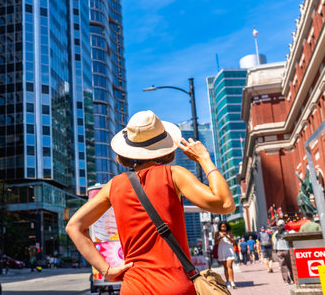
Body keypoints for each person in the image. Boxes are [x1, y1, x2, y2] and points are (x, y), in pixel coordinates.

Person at [66, 111, 235, 295]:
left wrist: (107, 271)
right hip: (175, 285)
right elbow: (225, 204)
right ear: (164, 145)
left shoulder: (113, 186)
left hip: (133, 287)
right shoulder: (174, 175)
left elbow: (74, 226)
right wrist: (204, 158)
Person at [214, 221, 236, 288]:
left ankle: (232, 282)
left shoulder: (229, 233)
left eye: (225, 226)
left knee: (229, 266)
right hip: (222, 251)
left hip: (229, 250)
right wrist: (221, 237)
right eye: (222, 227)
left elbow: (233, 242)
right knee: (225, 267)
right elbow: (216, 243)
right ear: (220, 227)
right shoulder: (217, 233)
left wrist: (227, 237)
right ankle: (227, 281)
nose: (224, 228)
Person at [273, 220, 293, 285]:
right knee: (290, 265)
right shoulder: (286, 232)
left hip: (279, 250)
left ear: (277, 225)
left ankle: (286, 281)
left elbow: (274, 243)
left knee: (283, 266)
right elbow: (289, 242)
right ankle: (293, 279)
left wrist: (275, 250)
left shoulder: (275, 233)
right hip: (287, 250)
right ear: (284, 225)